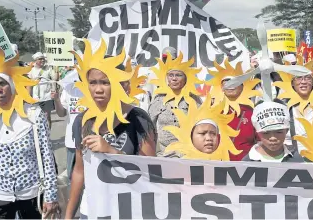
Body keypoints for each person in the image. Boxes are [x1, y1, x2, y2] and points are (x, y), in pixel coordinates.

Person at [0, 52, 59, 219]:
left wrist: (51, 196)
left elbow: (47, 159)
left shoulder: (34, 116)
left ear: (12, 86)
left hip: (32, 195)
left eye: (3, 83)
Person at [65, 47, 156, 219]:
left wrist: (112, 151)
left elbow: (150, 171)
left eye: (105, 82)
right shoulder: (82, 120)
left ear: (120, 85)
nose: (98, 89)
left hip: (128, 210)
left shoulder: (139, 119)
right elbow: (79, 171)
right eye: (93, 82)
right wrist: (68, 215)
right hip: (91, 211)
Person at [148, 51, 202, 157]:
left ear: (185, 79)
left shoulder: (194, 99)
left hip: (188, 155)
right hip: (163, 155)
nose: (174, 78)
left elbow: (202, 125)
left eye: (178, 75)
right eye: (171, 75)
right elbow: (149, 128)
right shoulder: (158, 99)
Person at [52, 71, 85, 182]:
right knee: (73, 177)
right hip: (72, 141)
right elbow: (62, 113)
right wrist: (56, 100)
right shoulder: (69, 88)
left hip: (90, 141)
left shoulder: (95, 88)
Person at [220, 76, 258, 161]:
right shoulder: (214, 111)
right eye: (226, 82)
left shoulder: (252, 112)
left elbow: (261, 140)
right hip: (218, 164)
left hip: (245, 165)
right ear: (222, 88)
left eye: (234, 82)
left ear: (242, 87)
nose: (230, 85)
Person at [28, 52, 58, 128]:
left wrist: (56, 69)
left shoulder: (48, 69)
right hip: (36, 98)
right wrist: (28, 98)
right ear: (36, 60)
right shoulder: (31, 70)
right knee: (38, 117)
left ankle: (48, 133)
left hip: (47, 97)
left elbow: (55, 79)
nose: (42, 60)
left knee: (47, 116)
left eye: (43, 59)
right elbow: (29, 85)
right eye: (40, 59)